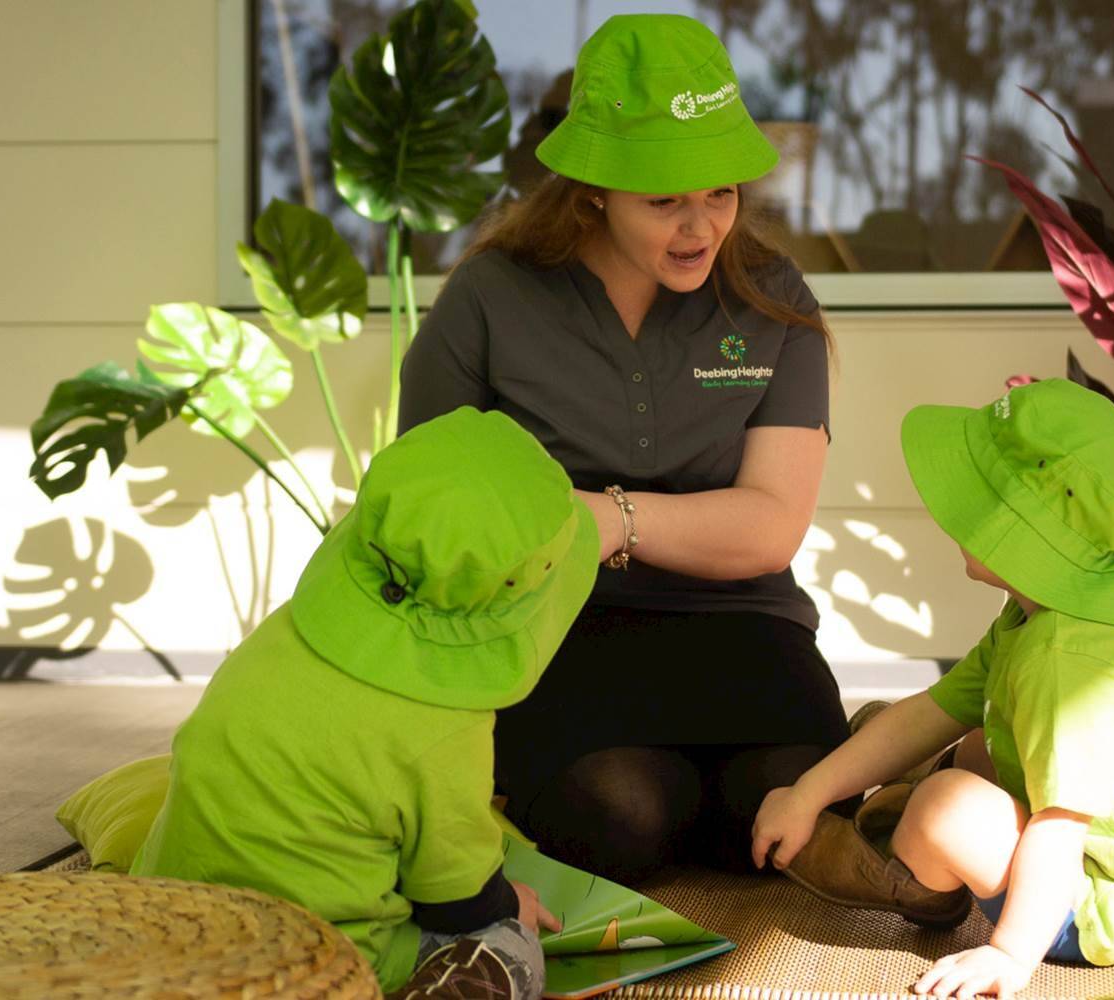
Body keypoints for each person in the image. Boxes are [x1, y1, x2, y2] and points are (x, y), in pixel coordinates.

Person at [399, 13, 849, 884]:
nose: (700, 228)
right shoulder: (491, 297)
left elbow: (769, 527)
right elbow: (427, 502)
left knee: (788, 809)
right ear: (594, 190)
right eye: (664, 201)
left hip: (745, 626)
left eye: (719, 194)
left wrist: (607, 519)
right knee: (621, 818)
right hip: (559, 629)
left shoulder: (773, 298)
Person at [752, 379, 1114, 999]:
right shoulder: (1045, 612)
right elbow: (935, 709)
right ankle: (910, 809)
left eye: (976, 500)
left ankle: (916, 878)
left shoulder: (1068, 662)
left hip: (1113, 905)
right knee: (972, 735)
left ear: (1024, 539)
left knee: (943, 805)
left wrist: (1008, 953)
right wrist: (808, 793)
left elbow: (1061, 826)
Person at [131, 408, 599, 999]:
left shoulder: (283, 635)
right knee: (509, 943)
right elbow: (455, 900)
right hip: (317, 959)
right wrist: (512, 903)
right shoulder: (443, 727)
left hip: (168, 922)